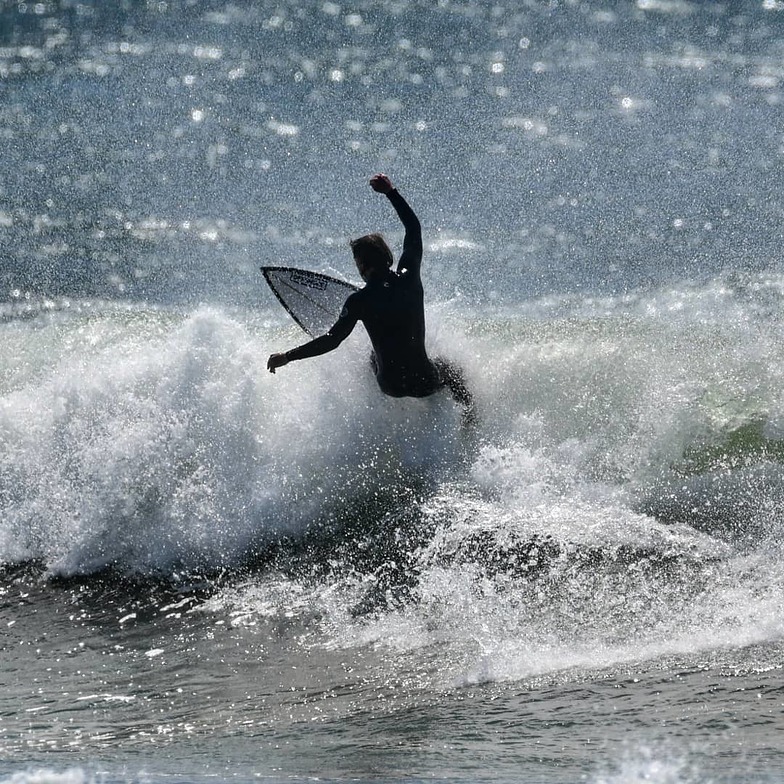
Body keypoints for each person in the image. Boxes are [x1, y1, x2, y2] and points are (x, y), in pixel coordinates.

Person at [267, 174, 474, 423]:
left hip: (390, 386)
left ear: (363, 265)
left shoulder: (359, 301)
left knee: (372, 359)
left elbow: (332, 340)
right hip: (425, 381)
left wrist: (288, 356)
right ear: (386, 257)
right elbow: (413, 228)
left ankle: (386, 419)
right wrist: (390, 192)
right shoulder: (409, 276)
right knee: (450, 370)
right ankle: (470, 420)